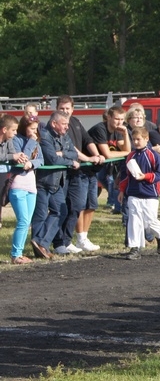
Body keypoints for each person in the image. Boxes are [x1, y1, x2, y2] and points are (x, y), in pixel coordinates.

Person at [53, 95, 106, 255]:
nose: (65, 111)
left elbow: (87, 140)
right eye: (61, 108)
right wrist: (88, 158)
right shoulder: (58, 125)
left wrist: (97, 155)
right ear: (57, 109)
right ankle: (62, 241)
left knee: (78, 206)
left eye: (67, 108)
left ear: (73, 109)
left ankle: (69, 240)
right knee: (67, 207)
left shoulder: (75, 122)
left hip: (79, 171)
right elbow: (70, 147)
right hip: (66, 172)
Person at [31, 112, 80, 259]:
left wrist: (62, 153)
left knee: (61, 211)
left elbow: (74, 153)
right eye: (64, 124)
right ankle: (39, 248)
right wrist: (70, 162)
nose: (67, 127)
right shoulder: (44, 136)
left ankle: (41, 243)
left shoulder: (64, 136)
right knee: (40, 216)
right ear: (54, 124)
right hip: (43, 182)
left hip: (57, 182)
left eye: (67, 124)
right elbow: (52, 159)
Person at [116, 127, 160, 260]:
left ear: (146, 139)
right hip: (133, 193)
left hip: (150, 193)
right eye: (133, 140)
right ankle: (135, 247)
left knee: (150, 221)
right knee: (134, 219)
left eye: (138, 139)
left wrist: (145, 176)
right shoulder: (131, 156)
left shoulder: (153, 155)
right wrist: (122, 190)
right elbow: (126, 176)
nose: (135, 142)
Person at [7, 116, 42, 264]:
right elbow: (22, 158)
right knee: (23, 220)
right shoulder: (15, 140)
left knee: (27, 223)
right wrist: (32, 142)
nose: (34, 131)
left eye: (36, 129)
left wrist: (32, 164)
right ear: (24, 127)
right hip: (18, 185)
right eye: (31, 128)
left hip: (31, 186)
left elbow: (41, 160)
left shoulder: (36, 141)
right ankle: (16, 255)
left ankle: (19, 253)